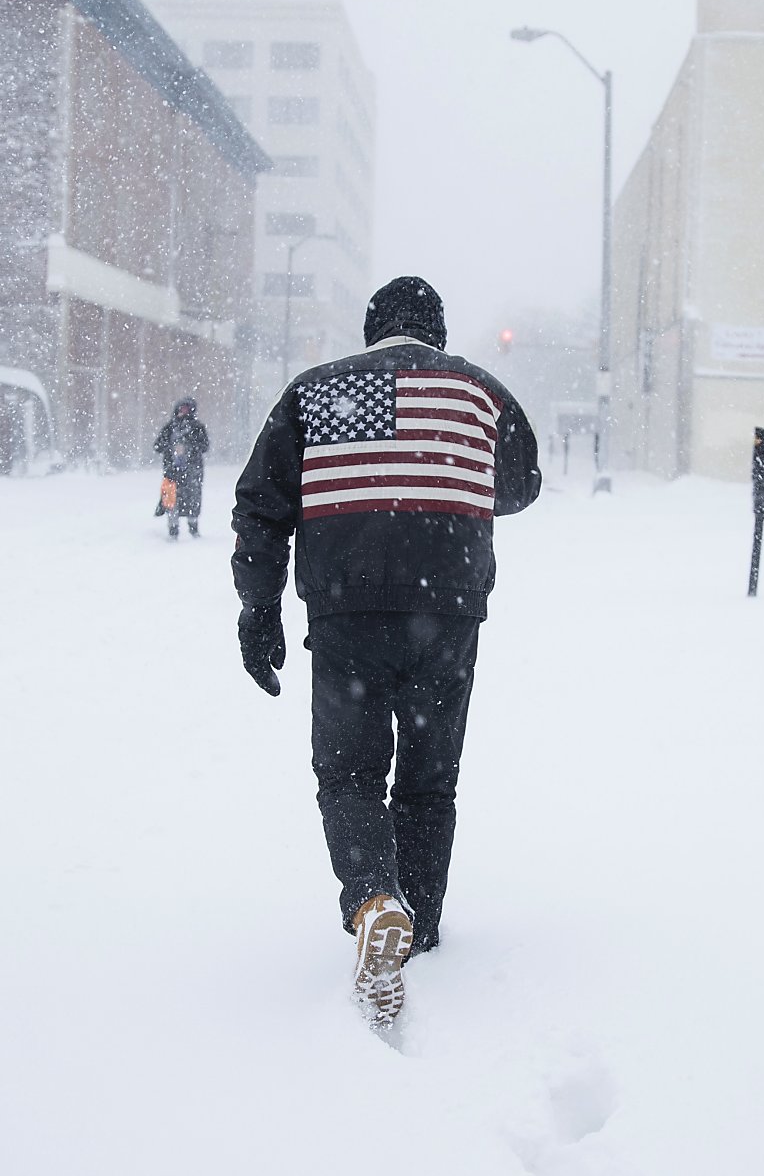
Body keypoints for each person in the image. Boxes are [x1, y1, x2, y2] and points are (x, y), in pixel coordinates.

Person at [231, 276, 541, 1026]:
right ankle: (419, 930)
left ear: (372, 329)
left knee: (349, 774)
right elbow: (521, 486)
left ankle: (374, 899)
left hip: (347, 610)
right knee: (430, 782)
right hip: (448, 609)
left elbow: (261, 507)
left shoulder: (313, 392)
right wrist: (443, 474)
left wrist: (258, 609)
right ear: (436, 330)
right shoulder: (480, 393)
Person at [154, 397, 210, 539]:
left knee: (193, 499)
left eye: (187, 408)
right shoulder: (170, 427)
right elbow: (158, 446)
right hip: (173, 471)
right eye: (181, 408)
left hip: (192, 471)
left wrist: (189, 447)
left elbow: (205, 446)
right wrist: (171, 448)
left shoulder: (198, 427)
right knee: (172, 499)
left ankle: (193, 528)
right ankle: (173, 528)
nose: (183, 411)